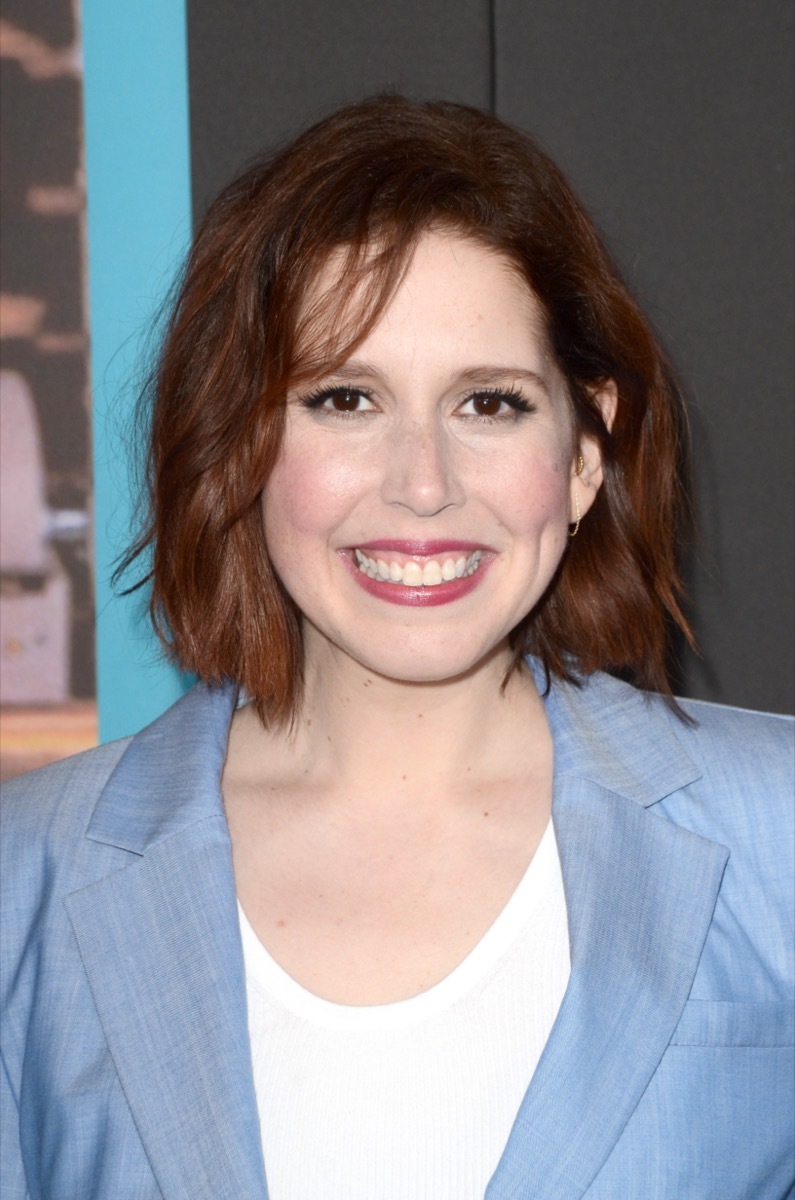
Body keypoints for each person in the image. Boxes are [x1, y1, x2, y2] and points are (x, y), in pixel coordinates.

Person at [1, 95, 792, 1200]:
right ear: (243, 444)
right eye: (344, 398)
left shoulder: (777, 839)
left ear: (584, 451)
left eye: (490, 405)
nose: (423, 485)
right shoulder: (26, 877)